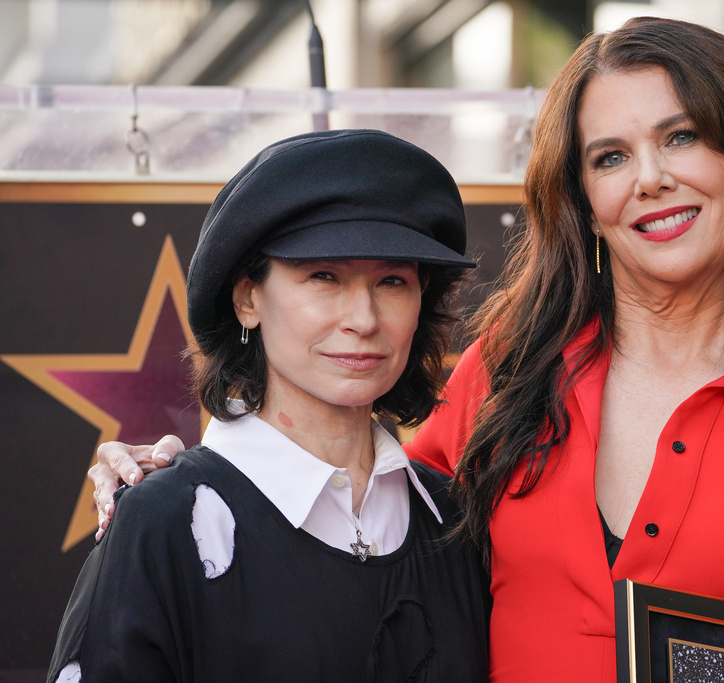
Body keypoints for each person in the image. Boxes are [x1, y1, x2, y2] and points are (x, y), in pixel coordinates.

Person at [88, 17, 724, 681]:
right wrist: (175, 483)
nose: (650, 177)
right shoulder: (510, 374)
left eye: (682, 136)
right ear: (583, 201)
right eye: (610, 157)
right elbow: (349, 505)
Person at [49, 129, 489, 682]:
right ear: (247, 298)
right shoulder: (163, 523)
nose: (364, 319)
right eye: (324, 276)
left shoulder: (459, 518)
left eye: (393, 281)